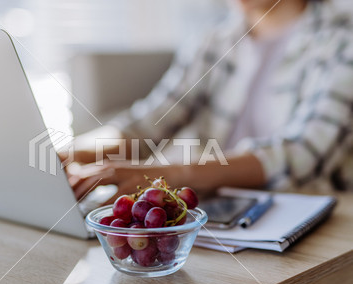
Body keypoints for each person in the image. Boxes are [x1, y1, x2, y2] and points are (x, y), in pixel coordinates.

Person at [64, 0, 353, 203]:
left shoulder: (342, 39)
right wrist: (72, 154)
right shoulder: (216, 39)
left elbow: (304, 153)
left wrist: (175, 173)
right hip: (218, 205)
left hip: (308, 210)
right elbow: (148, 123)